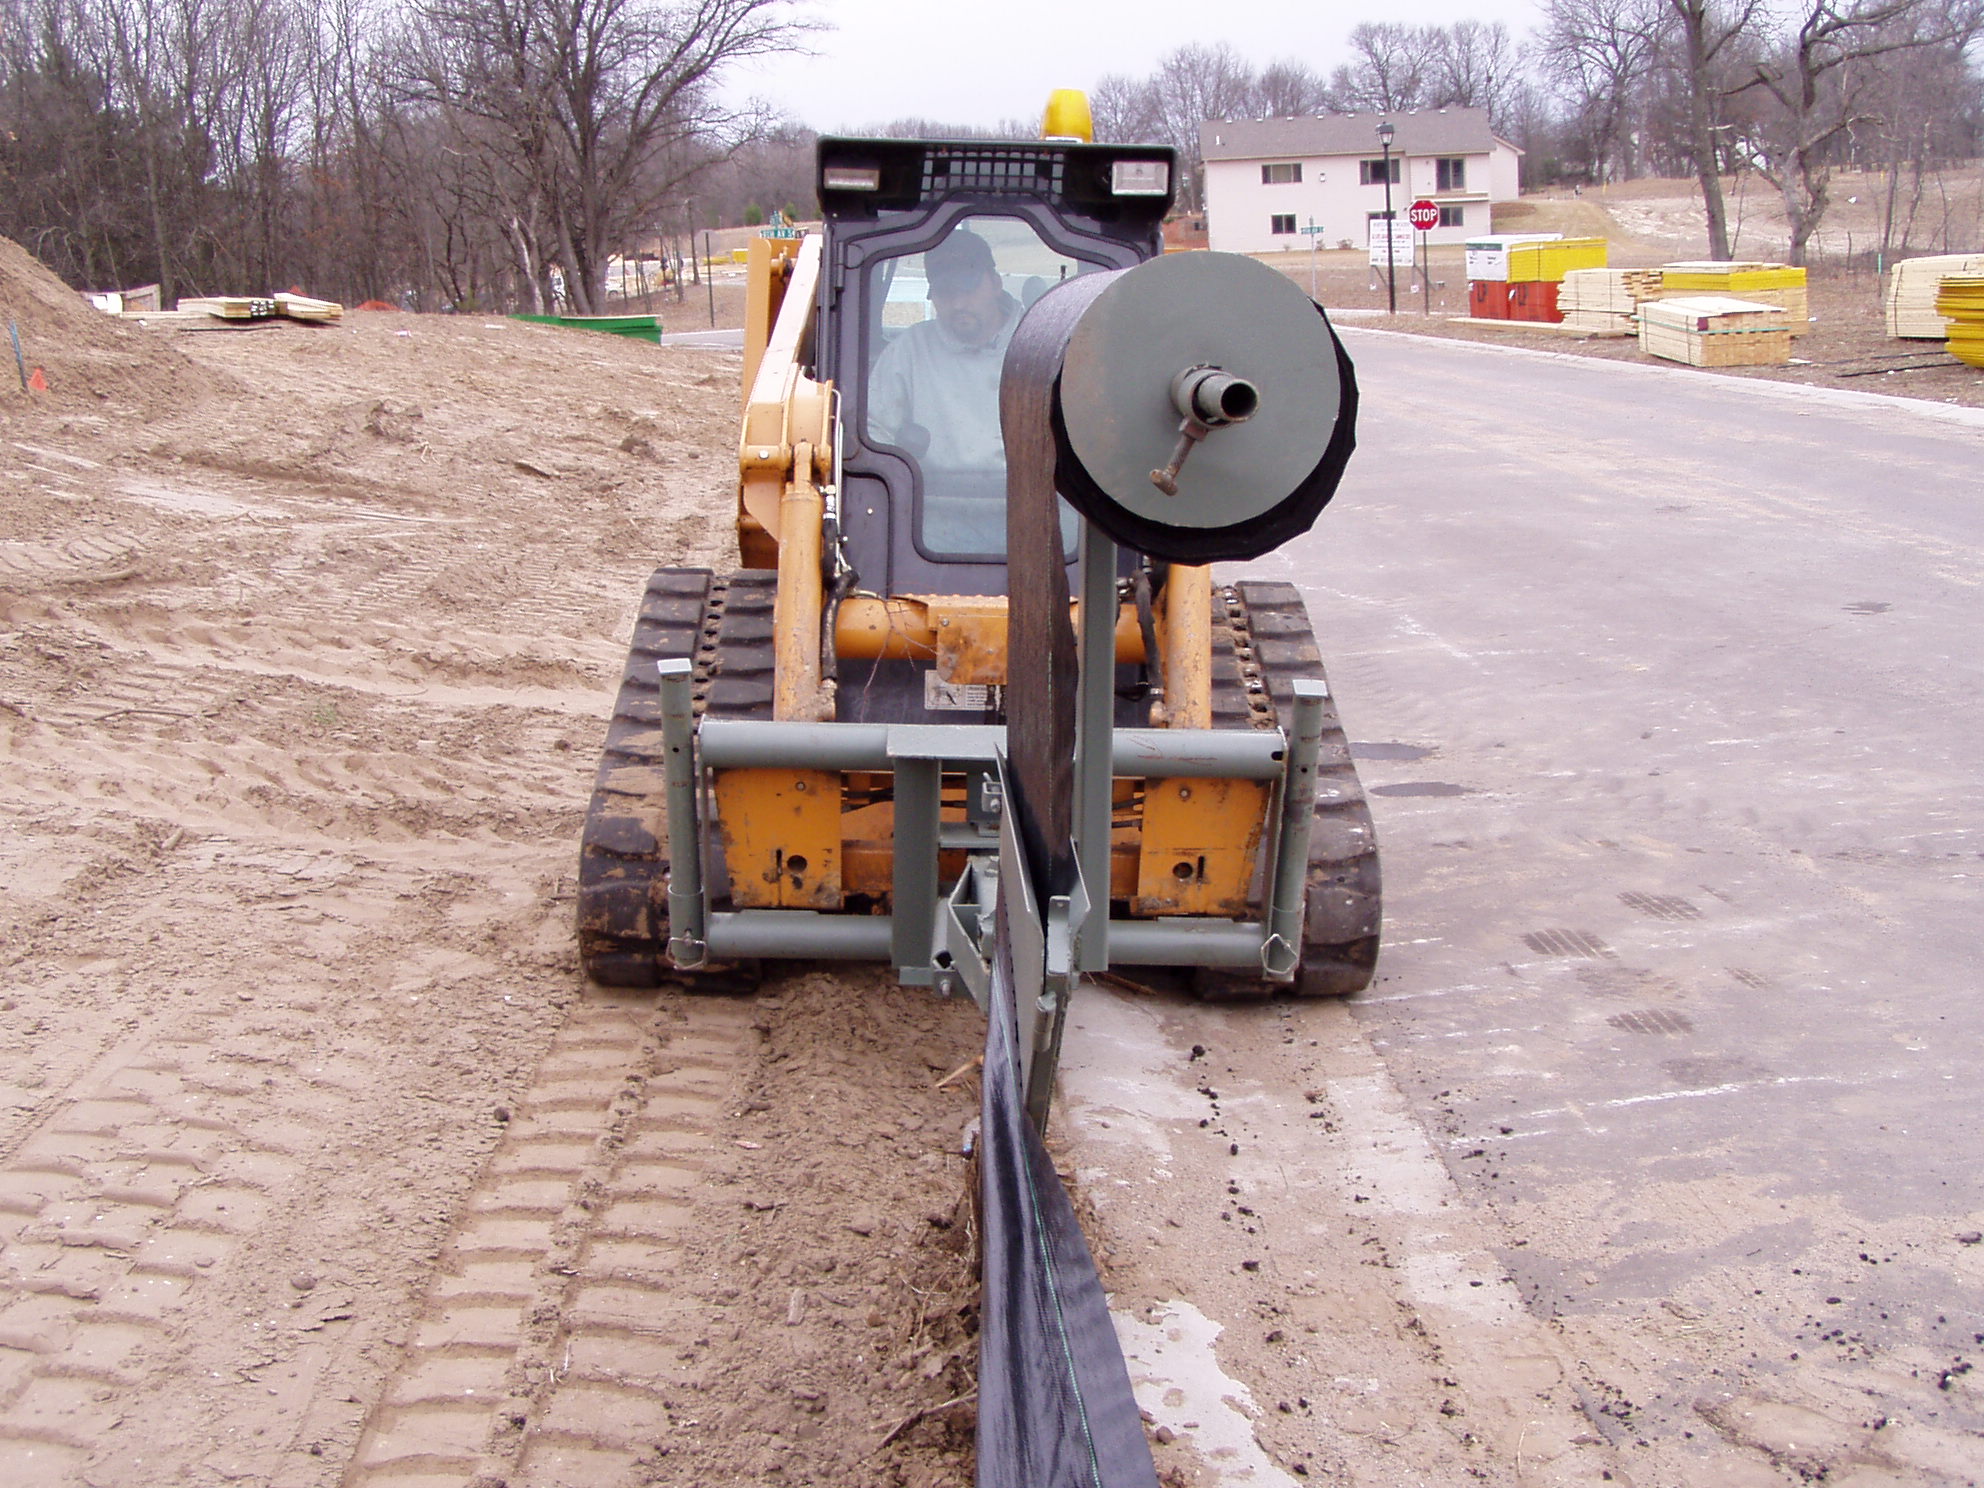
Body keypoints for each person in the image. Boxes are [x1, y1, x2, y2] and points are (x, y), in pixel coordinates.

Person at [866, 227, 1022, 472]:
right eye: (946, 293)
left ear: (996, 283)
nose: (958, 304)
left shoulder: (1039, 344)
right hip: (930, 503)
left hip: (1025, 500)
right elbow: (874, 431)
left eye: (968, 289)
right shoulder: (909, 351)